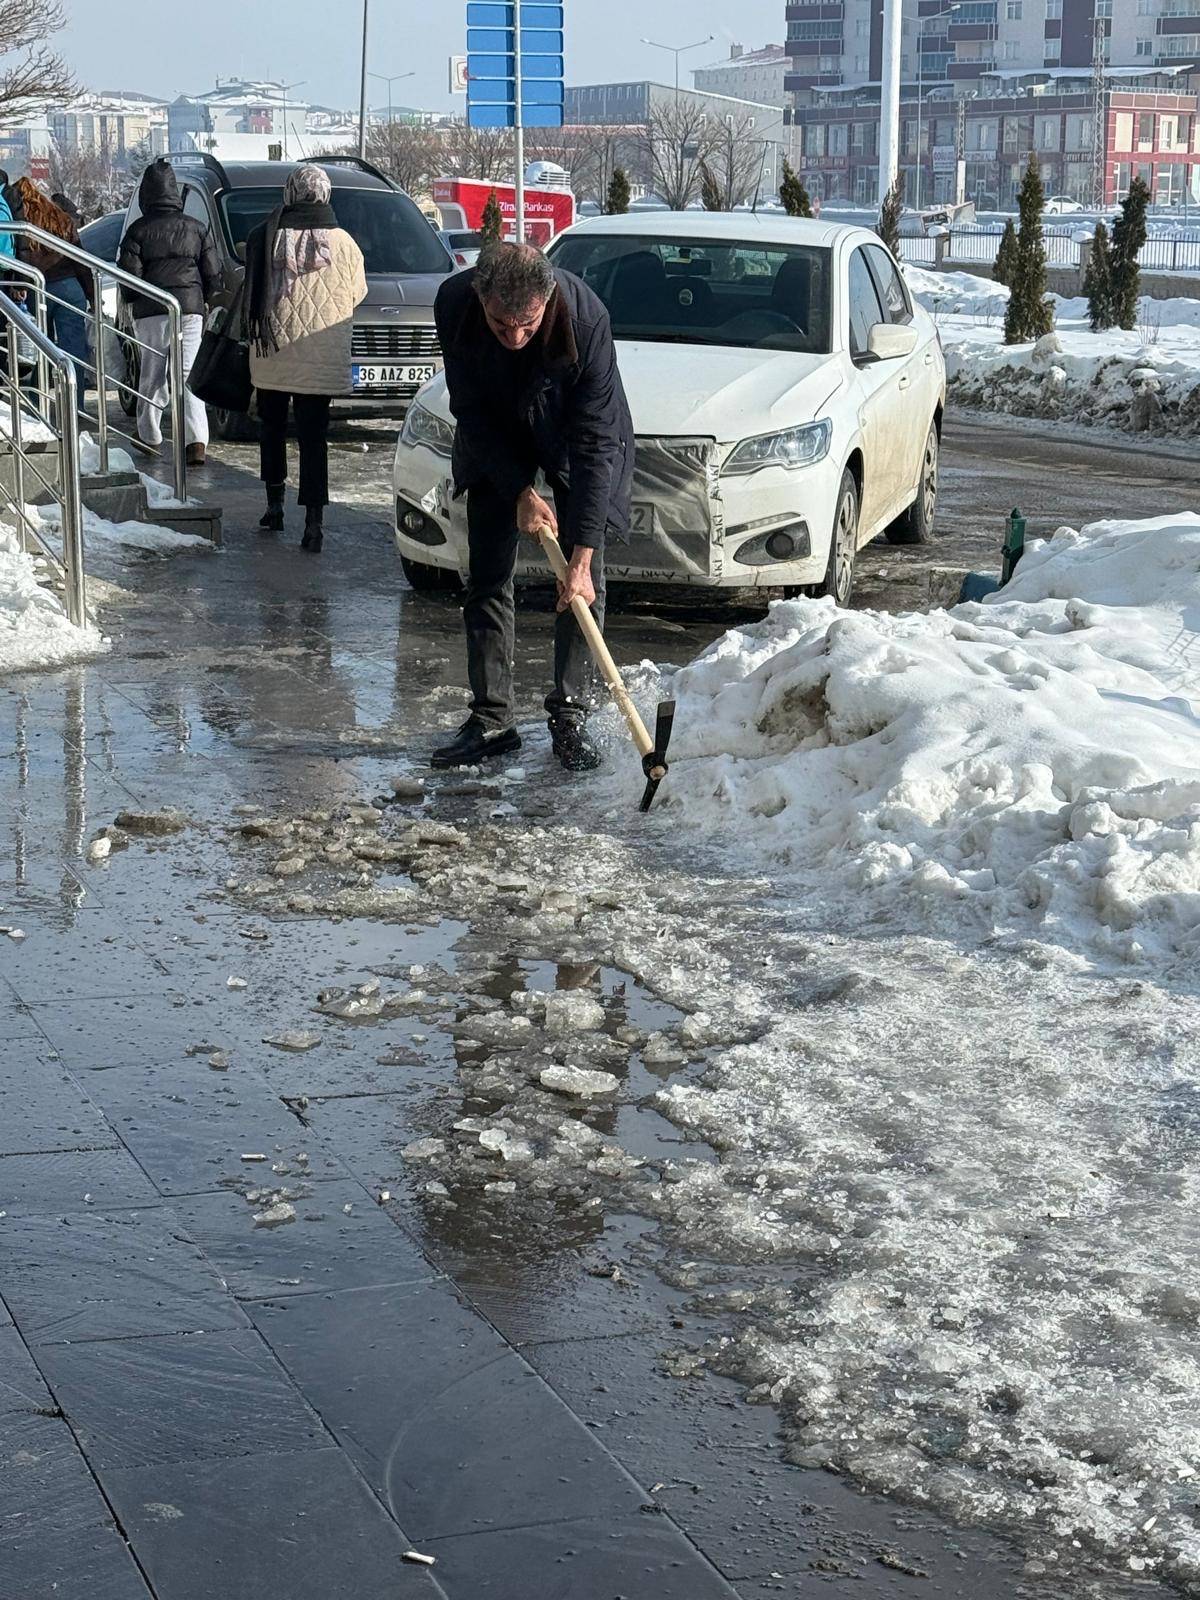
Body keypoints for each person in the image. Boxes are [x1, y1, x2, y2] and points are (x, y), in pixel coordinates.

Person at [431, 241, 634, 773]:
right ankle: (492, 718)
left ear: (547, 302)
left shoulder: (587, 320)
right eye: (502, 325)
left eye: (528, 324)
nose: (516, 338)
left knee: (582, 581)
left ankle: (570, 715)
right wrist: (519, 490)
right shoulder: (454, 302)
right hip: (495, 430)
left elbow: (594, 443)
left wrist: (583, 555)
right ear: (480, 297)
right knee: (489, 573)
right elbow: (468, 409)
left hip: (574, 435)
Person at [243, 165, 366, 553]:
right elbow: (357, 292)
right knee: (315, 440)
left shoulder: (265, 236)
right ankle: (314, 522)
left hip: (273, 353)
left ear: (291, 192)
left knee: (272, 430)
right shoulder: (343, 242)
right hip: (321, 355)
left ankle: (274, 506)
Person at [118, 159, 221, 468]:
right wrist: (207, 302)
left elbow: (129, 279)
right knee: (188, 375)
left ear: (146, 195)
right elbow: (212, 273)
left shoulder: (137, 231)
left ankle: (149, 436)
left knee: (151, 373)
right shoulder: (196, 228)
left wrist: (131, 303)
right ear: (175, 192)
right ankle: (196, 442)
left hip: (151, 311)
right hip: (190, 310)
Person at [12, 179, 93, 404]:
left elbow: (21, 255)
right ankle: (74, 405)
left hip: (37, 288)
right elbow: (80, 260)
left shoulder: (21, 222)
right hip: (70, 287)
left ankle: (37, 404)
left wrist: (19, 283)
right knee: (73, 348)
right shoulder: (60, 219)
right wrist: (92, 296)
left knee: (39, 347)